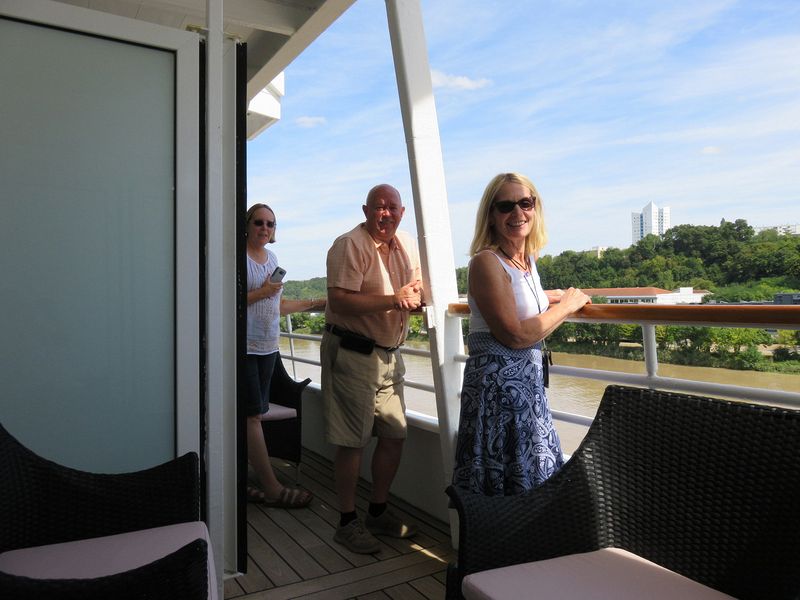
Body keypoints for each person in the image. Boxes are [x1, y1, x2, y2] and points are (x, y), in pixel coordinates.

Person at [452, 173, 591, 496]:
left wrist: (551, 297)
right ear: (491, 215)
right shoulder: (486, 262)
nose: (517, 213)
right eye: (505, 206)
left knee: (530, 470)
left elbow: (519, 299)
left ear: (535, 208)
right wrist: (568, 305)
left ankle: (530, 543)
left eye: (525, 203)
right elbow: (514, 334)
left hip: (525, 387)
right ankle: (507, 544)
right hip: (498, 391)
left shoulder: (527, 260)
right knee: (507, 476)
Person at [321, 184, 423, 554]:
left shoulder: (407, 243)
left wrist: (419, 294)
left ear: (402, 212)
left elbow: (419, 283)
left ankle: (377, 512)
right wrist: (395, 299)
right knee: (352, 442)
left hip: (388, 356)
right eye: (378, 208)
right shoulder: (350, 244)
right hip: (352, 353)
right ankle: (347, 523)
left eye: (392, 208)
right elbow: (340, 301)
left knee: (394, 435)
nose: (386, 214)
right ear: (366, 211)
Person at [245, 203, 325, 507]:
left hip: (268, 346)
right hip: (245, 347)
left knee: (253, 414)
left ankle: (242, 477)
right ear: (247, 225)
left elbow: (277, 305)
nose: (265, 228)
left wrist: (315, 303)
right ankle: (272, 488)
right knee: (252, 415)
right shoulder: (239, 258)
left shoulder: (272, 259)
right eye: (259, 223)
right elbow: (226, 297)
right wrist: (262, 293)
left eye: (271, 224)